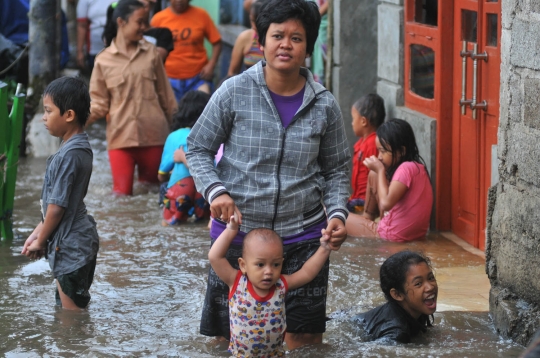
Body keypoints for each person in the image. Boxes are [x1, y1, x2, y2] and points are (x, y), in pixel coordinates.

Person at [186, 0, 351, 349]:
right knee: (226, 337)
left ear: (308, 46)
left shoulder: (324, 105)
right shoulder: (233, 92)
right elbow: (197, 148)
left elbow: (337, 169)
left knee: (305, 339)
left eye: (296, 37)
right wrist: (216, 191)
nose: (286, 45)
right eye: (277, 36)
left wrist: (337, 214)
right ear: (261, 41)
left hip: (303, 237)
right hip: (238, 236)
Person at [21, 77, 99, 311]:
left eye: (48, 111)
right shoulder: (75, 148)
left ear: (69, 115)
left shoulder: (70, 155)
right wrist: (37, 234)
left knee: (71, 317)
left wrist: (42, 240)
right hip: (74, 241)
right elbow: (56, 207)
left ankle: (74, 347)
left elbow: (57, 207)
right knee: (68, 308)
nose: (44, 117)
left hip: (71, 246)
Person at [87, 0, 177, 196]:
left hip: (154, 136)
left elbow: (166, 96)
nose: (144, 28)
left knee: (151, 193)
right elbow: (99, 104)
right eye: (140, 22)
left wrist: (179, 130)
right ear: (121, 22)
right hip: (121, 138)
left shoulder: (151, 53)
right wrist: (74, 125)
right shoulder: (103, 60)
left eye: (145, 22)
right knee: (121, 196)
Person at [209, 215, 332, 356]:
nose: (268, 271)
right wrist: (231, 230)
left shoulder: (281, 286)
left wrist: (325, 248)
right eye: (260, 264)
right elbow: (215, 257)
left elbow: (307, 273)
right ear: (243, 265)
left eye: (276, 264)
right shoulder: (237, 282)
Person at [346, 118, 433, 242]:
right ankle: (366, 219)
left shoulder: (405, 169)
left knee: (333, 215)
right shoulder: (418, 168)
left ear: (401, 151)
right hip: (409, 235)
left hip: (390, 235)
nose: (379, 157)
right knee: (374, 174)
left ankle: (366, 223)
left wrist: (380, 170)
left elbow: (386, 204)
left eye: (383, 151)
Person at [352, 250, 437, 343]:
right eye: (418, 283)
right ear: (397, 294)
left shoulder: (416, 308)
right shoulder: (396, 333)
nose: (430, 287)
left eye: (430, 278)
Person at [150, 0, 222, 100]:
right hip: (168, 80)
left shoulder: (201, 15)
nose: (179, 1)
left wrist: (211, 65)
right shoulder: (158, 19)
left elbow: (217, 42)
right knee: (172, 113)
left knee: (201, 109)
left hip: (198, 78)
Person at [158, 90, 211, 225]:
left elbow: (162, 174)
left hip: (180, 187)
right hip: (205, 189)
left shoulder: (174, 136)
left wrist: (165, 181)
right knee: (202, 224)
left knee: (170, 225)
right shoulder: (211, 135)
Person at [348, 93, 385, 214]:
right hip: (356, 197)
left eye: (353, 119)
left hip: (364, 202)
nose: (352, 123)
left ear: (363, 121)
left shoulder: (372, 144)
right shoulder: (362, 142)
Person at [226, 0, 265, 77]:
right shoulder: (245, 38)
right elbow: (232, 72)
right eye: (252, 21)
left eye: (258, 22)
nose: (254, 26)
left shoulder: (275, 40)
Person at [76, 0, 116, 71]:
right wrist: (80, 51)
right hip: (94, 50)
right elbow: (82, 25)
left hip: (117, 47)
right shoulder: (84, 1)